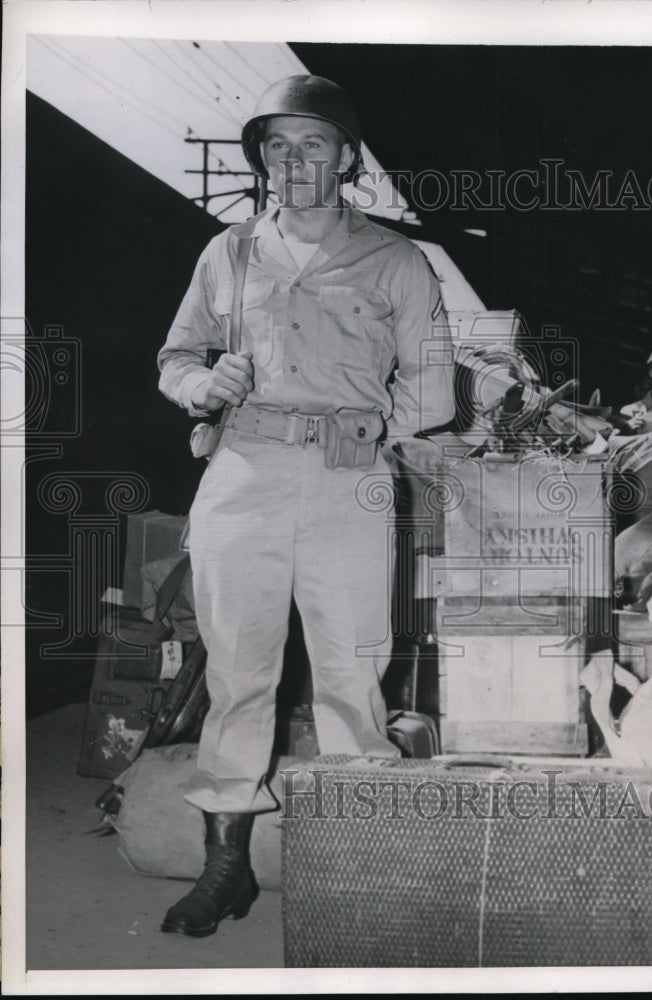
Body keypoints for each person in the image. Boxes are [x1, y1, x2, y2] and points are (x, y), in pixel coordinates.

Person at [156, 74, 455, 937]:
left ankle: (361, 873)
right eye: (276, 145)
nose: (292, 160)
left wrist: (368, 428)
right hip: (243, 474)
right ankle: (227, 868)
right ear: (261, 159)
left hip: (348, 483)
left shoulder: (399, 259)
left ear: (347, 157)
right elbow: (176, 356)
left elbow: (433, 393)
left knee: (349, 678)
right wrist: (202, 383)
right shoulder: (229, 253)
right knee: (237, 673)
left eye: (313, 143)